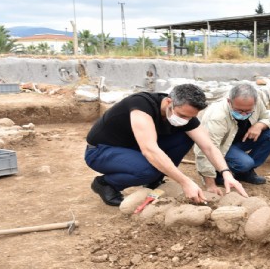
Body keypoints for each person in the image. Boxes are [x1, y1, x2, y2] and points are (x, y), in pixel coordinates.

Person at [85, 84, 248, 206]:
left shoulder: (185, 115)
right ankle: (106, 184)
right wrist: (185, 182)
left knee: (186, 137)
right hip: (102, 151)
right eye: (182, 115)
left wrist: (226, 173)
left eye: (190, 117)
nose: (185, 120)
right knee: (147, 170)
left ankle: (154, 180)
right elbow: (150, 150)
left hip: (134, 149)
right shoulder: (141, 106)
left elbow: (209, 146)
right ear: (169, 101)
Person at [194, 83, 270, 195]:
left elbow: (269, 119)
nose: (244, 114)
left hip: (239, 142)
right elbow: (206, 149)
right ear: (229, 101)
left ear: (254, 103)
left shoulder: (256, 103)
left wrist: (260, 125)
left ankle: (244, 173)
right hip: (222, 147)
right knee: (245, 163)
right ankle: (219, 174)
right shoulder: (217, 116)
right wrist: (210, 184)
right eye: (239, 111)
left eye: (248, 111)